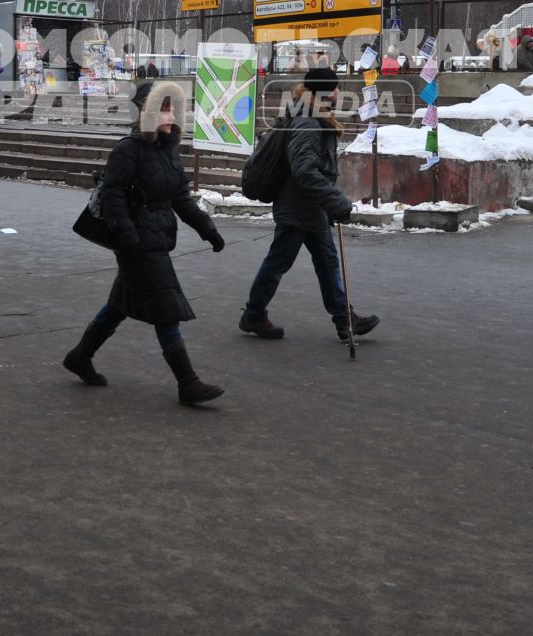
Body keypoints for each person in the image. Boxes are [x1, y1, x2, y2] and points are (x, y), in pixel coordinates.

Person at [61, 80, 227, 405]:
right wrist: (127, 237)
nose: (170, 115)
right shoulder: (128, 149)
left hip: (158, 237)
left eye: (173, 108)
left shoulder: (169, 150)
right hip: (137, 242)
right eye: (163, 108)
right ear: (146, 111)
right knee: (166, 307)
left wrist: (208, 230)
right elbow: (112, 195)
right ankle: (187, 383)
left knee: (120, 305)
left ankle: (80, 356)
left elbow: (180, 198)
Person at [238, 68, 380, 343]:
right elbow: (304, 171)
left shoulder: (312, 117)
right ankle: (254, 314)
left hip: (309, 208)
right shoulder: (307, 122)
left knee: (325, 262)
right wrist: (336, 201)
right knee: (278, 264)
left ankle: (344, 320)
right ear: (325, 92)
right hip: (298, 208)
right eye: (335, 88)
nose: (339, 92)